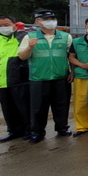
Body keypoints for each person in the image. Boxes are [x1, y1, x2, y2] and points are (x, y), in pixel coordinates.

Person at [18, 10, 73, 144]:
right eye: (46, 19)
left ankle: (62, 128)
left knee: (61, 105)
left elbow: (70, 56)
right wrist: (30, 47)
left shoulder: (65, 36)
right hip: (39, 78)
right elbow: (22, 56)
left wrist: (72, 72)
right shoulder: (29, 37)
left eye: (52, 18)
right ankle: (37, 132)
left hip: (61, 77)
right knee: (38, 108)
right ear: (38, 22)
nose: (50, 21)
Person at [0, 15, 31, 142]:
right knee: (7, 108)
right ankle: (13, 131)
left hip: (20, 79)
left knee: (24, 107)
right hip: (1, 80)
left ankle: (29, 130)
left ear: (14, 25)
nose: (3, 28)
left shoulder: (22, 38)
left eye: (6, 24)